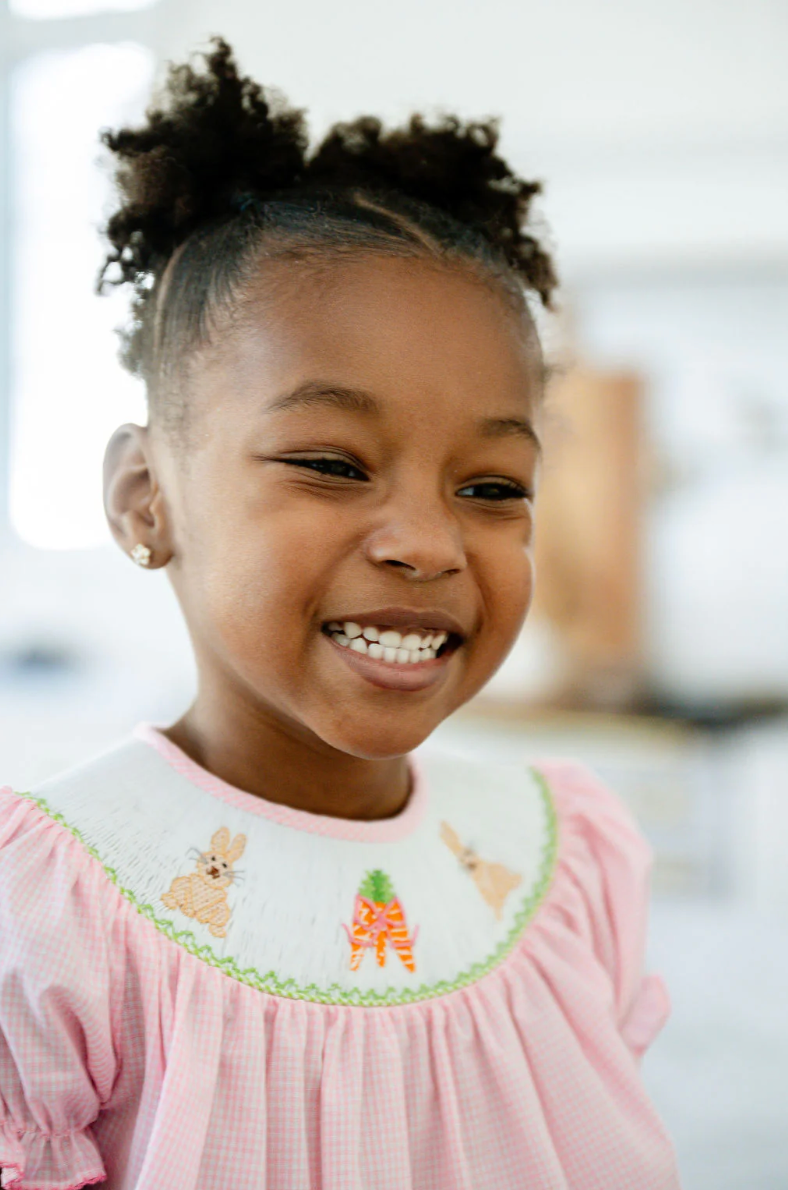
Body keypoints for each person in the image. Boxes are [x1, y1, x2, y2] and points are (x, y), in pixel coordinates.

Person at [0, 37, 681, 1190]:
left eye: (490, 487)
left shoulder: (562, 864)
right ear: (144, 498)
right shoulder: (56, 906)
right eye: (329, 461)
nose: (425, 539)